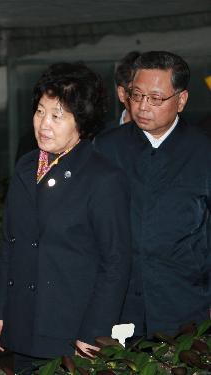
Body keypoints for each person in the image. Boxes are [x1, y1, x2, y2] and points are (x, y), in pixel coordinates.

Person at [0, 62, 131, 374]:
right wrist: (1, 310)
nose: (44, 123)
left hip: (70, 329)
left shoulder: (103, 178)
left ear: (82, 121)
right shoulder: (26, 167)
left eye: (58, 115)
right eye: (40, 111)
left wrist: (94, 330)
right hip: (25, 321)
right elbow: (11, 243)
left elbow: (115, 263)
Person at [95, 51, 211, 338]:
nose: (143, 106)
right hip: (119, 304)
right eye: (137, 95)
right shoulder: (106, 149)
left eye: (156, 98)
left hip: (185, 301)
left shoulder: (203, 152)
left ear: (181, 100)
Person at [105, 51, 141, 128]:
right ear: (122, 94)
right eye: (137, 94)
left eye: (154, 96)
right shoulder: (103, 135)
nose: (145, 102)